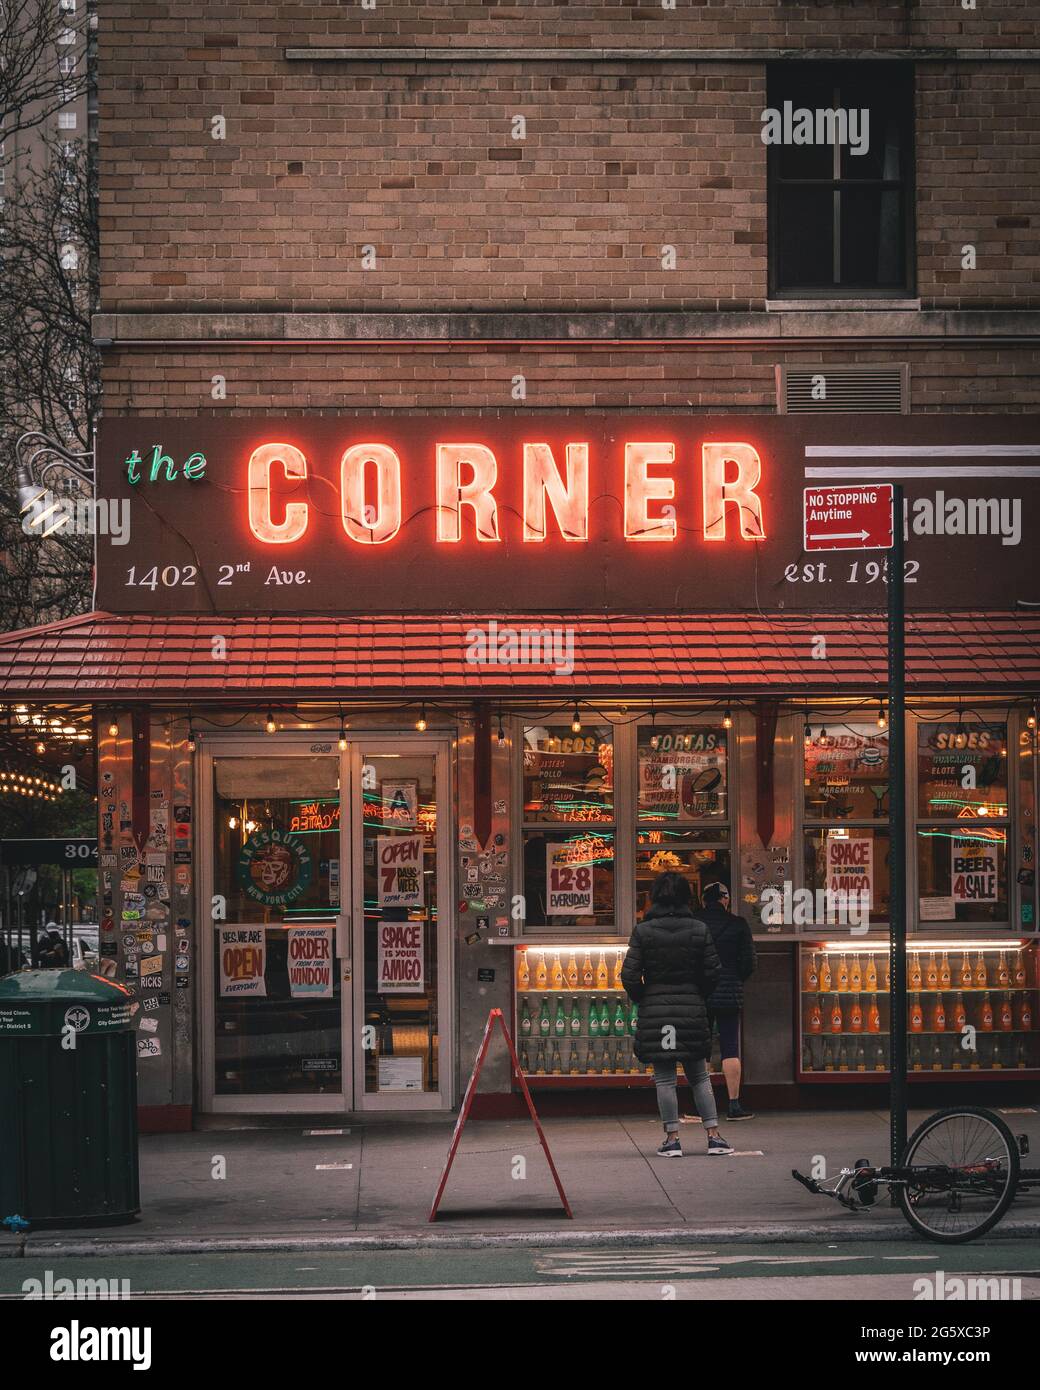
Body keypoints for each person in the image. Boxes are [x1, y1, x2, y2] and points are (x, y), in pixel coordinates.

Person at [622, 870, 733, 1157]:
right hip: (692, 1007)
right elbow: (713, 972)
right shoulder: (699, 929)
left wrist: (645, 998)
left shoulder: (643, 931)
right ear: (687, 897)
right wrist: (698, 995)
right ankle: (714, 1135)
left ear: (654, 898)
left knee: (664, 1078)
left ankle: (672, 1139)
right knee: (699, 1076)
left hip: (656, 1009)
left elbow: (630, 975)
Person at [698, 881, 757, 1121]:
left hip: (701, 992)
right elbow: (749, 963)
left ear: (704, 901)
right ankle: (733, 1104)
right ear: (725, 900)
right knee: (730, 1047)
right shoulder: (738, 924)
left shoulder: (694, 923)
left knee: (701, 1049)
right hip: (730, 991)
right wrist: (734, 979)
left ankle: (704, 1105)